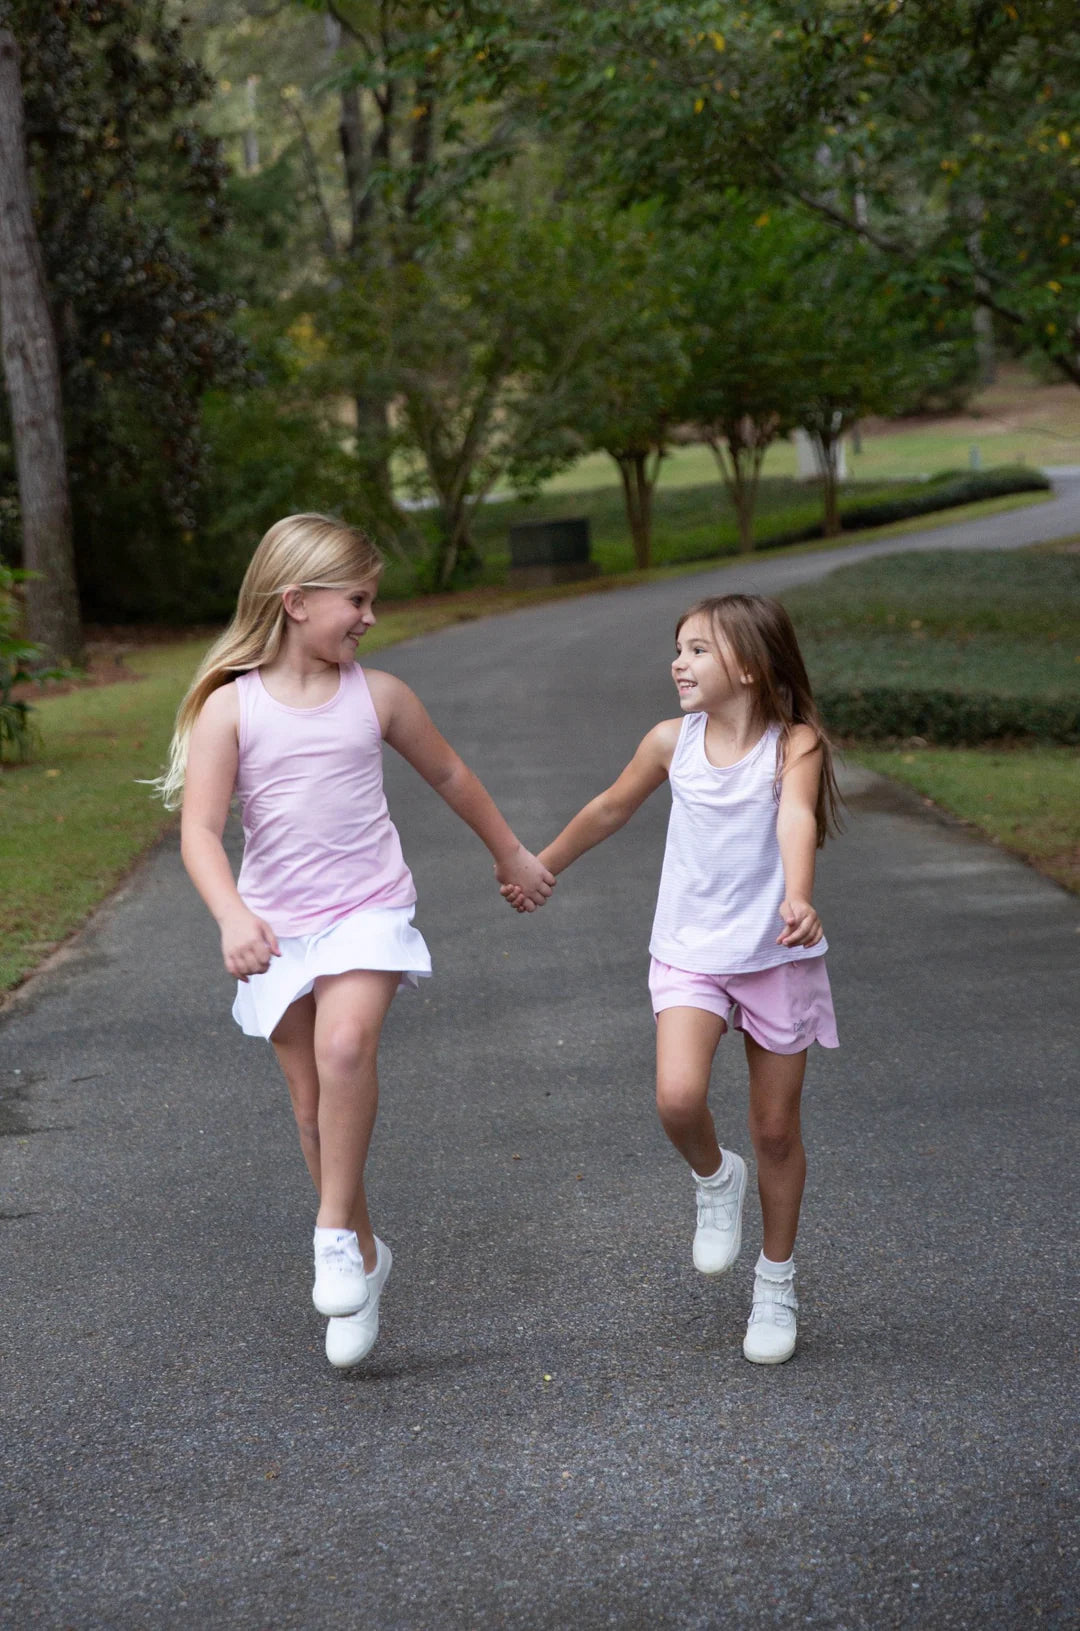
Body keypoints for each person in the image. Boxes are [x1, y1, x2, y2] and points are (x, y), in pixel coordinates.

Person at [157, 514, 554, 1369]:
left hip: (366, 909)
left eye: (372, 600)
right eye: (358, 599)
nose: (370, 616)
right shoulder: (233, 707)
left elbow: (449, 772)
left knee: (345, 1045)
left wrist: (510, 851)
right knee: (311, 1108)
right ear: (295, 601)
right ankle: (365, 1252)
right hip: (277, 926)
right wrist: (232, 914)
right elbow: (198, 830)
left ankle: (332, 1230)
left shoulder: (380, 697)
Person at [504, 593, 840, 1365]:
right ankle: (715, 1177)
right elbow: (611, 807)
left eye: (696, 650)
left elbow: (795, 816)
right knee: (678, 1097)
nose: (677, 663)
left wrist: (799, 893)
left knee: (777, 1129)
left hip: (776, 953)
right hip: (690, 950)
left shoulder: (796, 744)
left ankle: (776, 1282)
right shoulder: (669, 741)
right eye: (678, 648)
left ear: (750, 667)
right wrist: (542, 865)